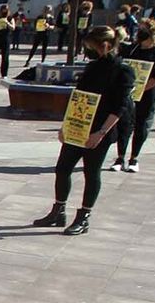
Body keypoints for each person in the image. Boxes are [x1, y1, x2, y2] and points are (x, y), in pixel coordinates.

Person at [32, 27, 135, 236]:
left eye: (90, 47)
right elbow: (78, 97)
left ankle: (84, 216)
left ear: (104, 46)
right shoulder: (93, 67)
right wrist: (66, 125)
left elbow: (120, 107)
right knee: (63, 168)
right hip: (79, 125)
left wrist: (101, 133)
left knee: (91, 171)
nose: (87, 51)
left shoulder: (123, 71)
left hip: (100, 128)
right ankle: (58, 210)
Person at [112, 19, 155, 173]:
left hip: (147, 94)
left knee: (141, 125)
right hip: (129, 94)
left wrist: (141, 89)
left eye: (144, 30)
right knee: (124, 125)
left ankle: (134, 158)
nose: (140, 33)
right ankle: (120, 157)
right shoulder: (132, 49)